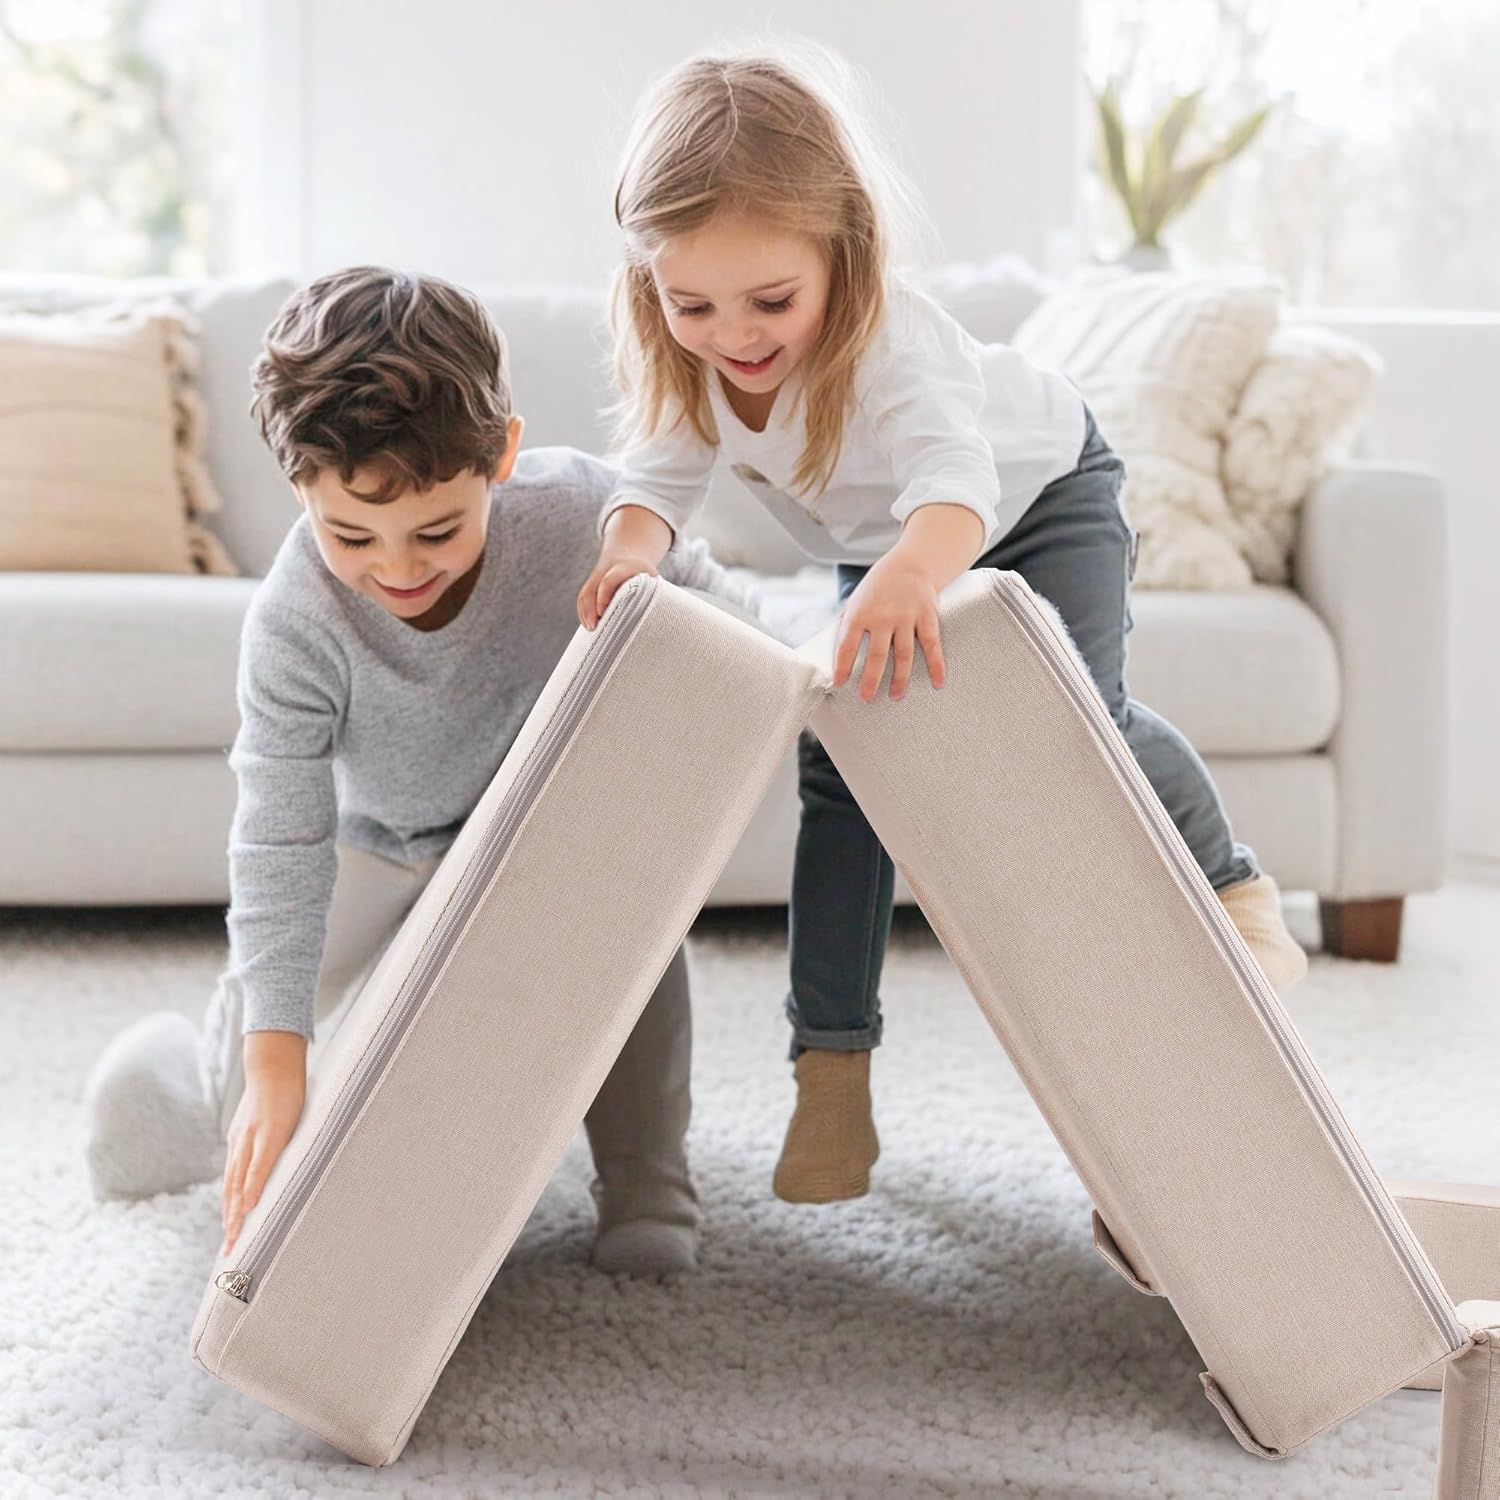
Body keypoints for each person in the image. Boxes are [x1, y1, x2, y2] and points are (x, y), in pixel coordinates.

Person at [576, 51, 1308, 1208]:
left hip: (1029, 499)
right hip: (897, 546)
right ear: (648, 283)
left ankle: (1233, 890)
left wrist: (914, 573)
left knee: (1077, 722)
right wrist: (626, 552)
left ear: (843, 253)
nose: (735, 335)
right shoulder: (692, 359)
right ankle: (831, 1073)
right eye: (691, 301)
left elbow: (958, 479)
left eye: (772, 301)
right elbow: (656, 478)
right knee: (845, 769)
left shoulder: (891, 344)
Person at [85, 266, 761, 1275]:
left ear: (501, 458)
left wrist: (683, 623)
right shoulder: (296, 620)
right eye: (351, 534)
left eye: (436, 530)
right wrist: (275, 1063)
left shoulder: (582, 512)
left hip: (529, 832)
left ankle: (647, 1176)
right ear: (300, 493)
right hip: (376, 844)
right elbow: (279, 839)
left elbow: (729, 624)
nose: (398, 566)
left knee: (630, 905)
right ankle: (177, 1075)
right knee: (252, 1103)